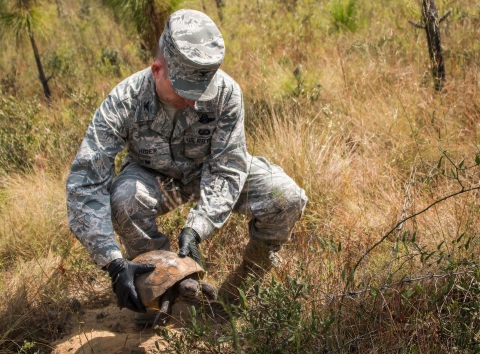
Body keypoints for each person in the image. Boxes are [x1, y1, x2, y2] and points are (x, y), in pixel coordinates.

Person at [66, 9, 307, 324]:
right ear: (157, 70)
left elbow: (227, 167)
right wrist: (112, 262)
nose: (195, 102)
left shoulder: (226, 92)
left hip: (213, 169)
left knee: (285, 196)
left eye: (201, 92)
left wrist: (198, 226)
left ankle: (238, 292)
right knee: (124, 198)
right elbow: (86, 182)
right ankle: (163, 284)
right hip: (154, 175)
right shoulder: (124, 100)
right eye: (185, 92)